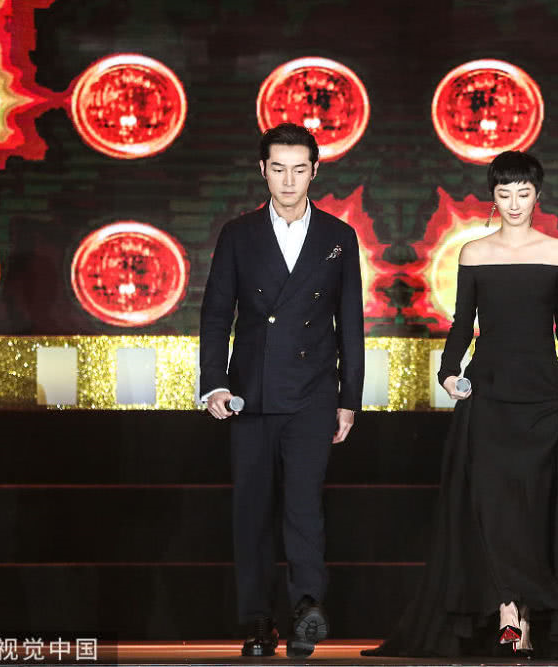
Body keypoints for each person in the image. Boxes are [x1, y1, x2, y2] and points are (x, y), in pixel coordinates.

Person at [364, 151, 558, 659]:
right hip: (488, 393)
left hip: (543, 397)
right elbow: (463, 322)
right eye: (505, 194)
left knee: (535, 509)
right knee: (490, 505)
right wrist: (448, 371)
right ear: (493, 197)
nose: (514, 203)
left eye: (523, 193)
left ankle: (523, 613)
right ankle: (507, 608)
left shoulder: (557, 252)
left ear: (538, 196)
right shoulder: (475, 253)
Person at [199, 123, 364, 658]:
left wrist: (349, 398)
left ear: (315, 171)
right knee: (251, 511)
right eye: (278, 168)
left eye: (298, 169)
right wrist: (214, 382)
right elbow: (216, 313)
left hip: (313, 393)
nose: (289, 180)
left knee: (303, 506)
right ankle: (258, 620)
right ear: (263, 171)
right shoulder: (238, 234)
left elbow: (350, 323)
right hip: (249, 393)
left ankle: (306, 609)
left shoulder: (339, 236)